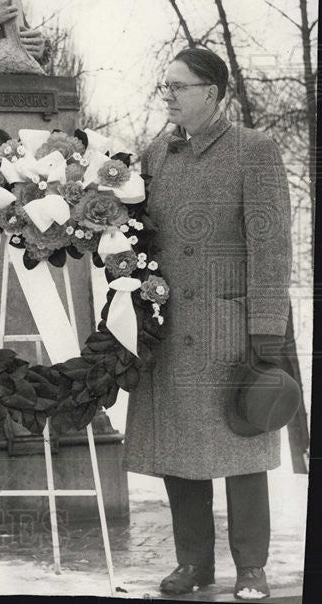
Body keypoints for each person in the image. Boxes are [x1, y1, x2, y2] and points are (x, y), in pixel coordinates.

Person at [123, 47, 293, 600]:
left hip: (232, 331)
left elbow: (271, 249)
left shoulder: (255, 151)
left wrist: (266, 329)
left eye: (179, 86)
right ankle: (193, 564)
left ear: (213, 94)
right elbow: (136, 241)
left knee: (243, 446)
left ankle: (252, 568)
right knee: (181, 455)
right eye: (164, 86)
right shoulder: (155, 155)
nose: (167, 94)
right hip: (170, 330)